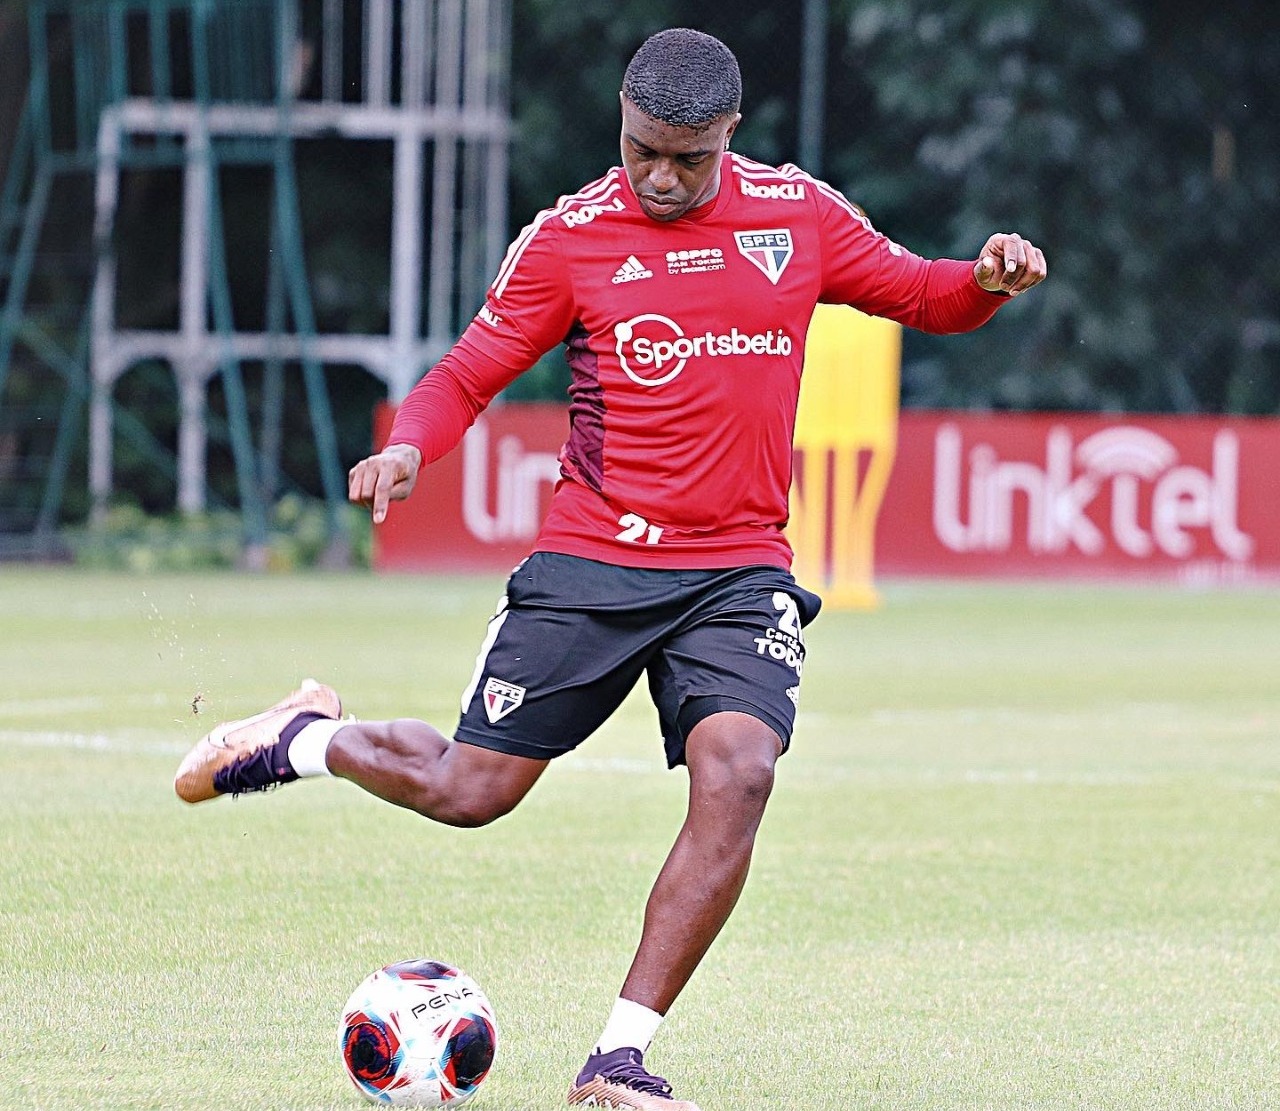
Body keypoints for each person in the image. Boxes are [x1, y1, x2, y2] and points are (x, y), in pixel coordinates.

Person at [175, 27, 1046, 1110]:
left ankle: (615, 1059)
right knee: (468, 793)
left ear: (729, 134)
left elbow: (925, 293)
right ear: (620, 127)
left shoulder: (796, 215)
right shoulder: (571, 237)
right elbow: (469, 366)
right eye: (642, 151)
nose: (661, 177)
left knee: (741, 772)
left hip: (736, 569)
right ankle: (302, 736)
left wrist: (987, 279)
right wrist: (409, 444)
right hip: (594, 561)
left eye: (687, 157)